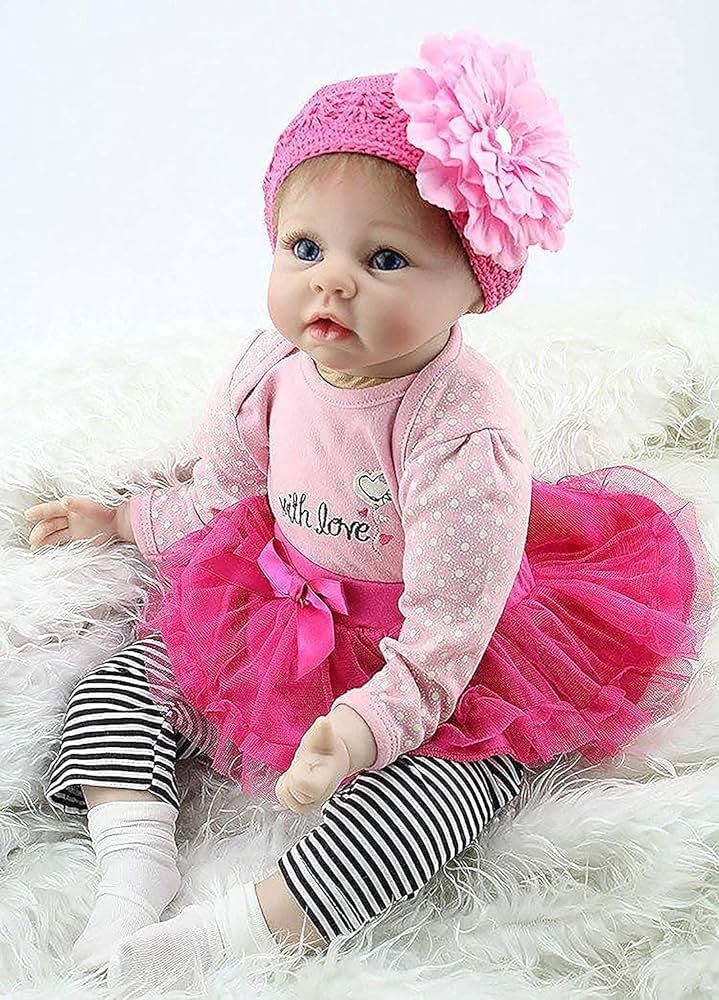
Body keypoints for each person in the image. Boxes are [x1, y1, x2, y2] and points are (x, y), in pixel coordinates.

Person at [24, 29, 713, 994]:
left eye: (384, 257)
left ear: (471, 286)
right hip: (277, 604)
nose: (331, 280)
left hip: (436, 646)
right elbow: (225, 494)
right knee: (119, 685)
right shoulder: (270, 369)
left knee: (443, 797)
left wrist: (364, 729)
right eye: (304, 247)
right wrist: (123, 520)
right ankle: (132, 861)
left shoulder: (462, 434)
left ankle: (245, 927)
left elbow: (446, 635)